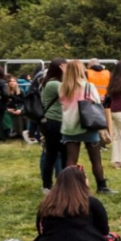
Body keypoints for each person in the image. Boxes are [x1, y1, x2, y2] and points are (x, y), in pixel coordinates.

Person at [23, 165, 111, 241]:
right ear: (82, 181)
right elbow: (104, 230)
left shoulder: (47, 204)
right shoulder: (92, 202)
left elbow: (41, 230)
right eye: (86, 177)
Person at [59, 59, 113, 194]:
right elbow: (96, 101)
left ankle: (68, 187)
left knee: (71, 158)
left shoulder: (62, 87)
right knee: (95, 159)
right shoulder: (88, 86)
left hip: (69, 126)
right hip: (88, 124)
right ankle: (102, 186)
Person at [37, 59, 66, 189]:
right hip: (54, 121)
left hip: (58, 121)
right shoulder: (53, 84)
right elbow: (71, 92)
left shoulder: (51, 82)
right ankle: (47, 185)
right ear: (60, 68)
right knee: (52, 154)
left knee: (58, 153)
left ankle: (58, 183)